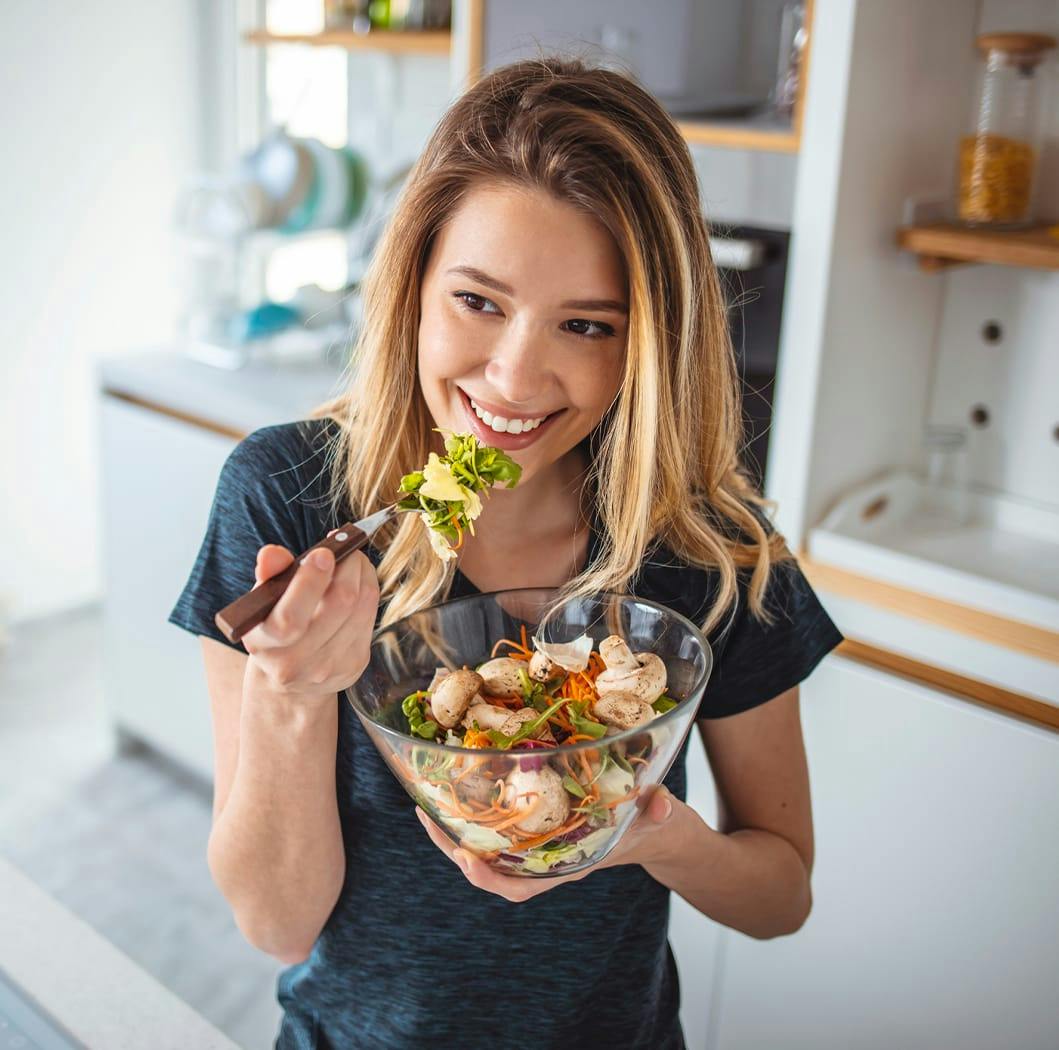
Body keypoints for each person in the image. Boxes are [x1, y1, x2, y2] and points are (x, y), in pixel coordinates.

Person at [169, 56, 843, 1050]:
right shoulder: (289, 497)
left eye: (585, 325)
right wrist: (292, 695)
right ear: (412, 286)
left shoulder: (714, 551)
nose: (515, 378)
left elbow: (779, 894)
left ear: (646, 343)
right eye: (477, 302)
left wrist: (654, 838)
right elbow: (277, 924)